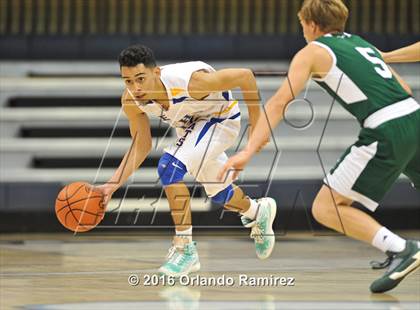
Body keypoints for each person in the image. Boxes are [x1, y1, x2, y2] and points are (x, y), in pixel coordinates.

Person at [219, 0, 419, 293]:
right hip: (414, 115)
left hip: (387, 128)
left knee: (327, 207)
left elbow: (279, 103)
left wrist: (248, 151)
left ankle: (402, 249)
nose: (302, 32)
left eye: (302, 26)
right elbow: (404, 89)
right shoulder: (359, 43)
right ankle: (399, 250)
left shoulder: (312, 51)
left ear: (311, 24)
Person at [95, 44, 276, 277]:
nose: (135, 87)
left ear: (156, 72)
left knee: (169, 167)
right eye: (128, 81)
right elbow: (142, 144)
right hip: (190, 128)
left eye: (140, 78)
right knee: (220, 193)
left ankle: (185, 249)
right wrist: (111, 185)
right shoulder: (131, 101)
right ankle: (257, 211)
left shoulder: (192, 82)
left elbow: (245, 76)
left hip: (220, 120)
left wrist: (257, 125)